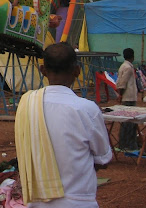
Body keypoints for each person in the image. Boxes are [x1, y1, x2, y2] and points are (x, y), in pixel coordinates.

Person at [15, 42, 112, 207]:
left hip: (37, 202)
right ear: (77, 70)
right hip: (78, 202)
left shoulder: (27, 104)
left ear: (42, 70)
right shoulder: (86, 109)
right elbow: (103, 159)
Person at [116, 47, 138, 151]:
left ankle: (125, 143)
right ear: (132, 56)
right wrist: (120, 95)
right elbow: (122, 83)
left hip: (127, 96)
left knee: (127, 122)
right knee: (129, 122)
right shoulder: (128, 68)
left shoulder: (123, 66)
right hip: (129, 97)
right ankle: (127, 144)